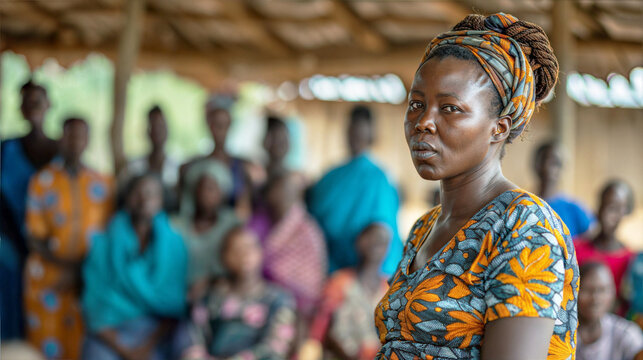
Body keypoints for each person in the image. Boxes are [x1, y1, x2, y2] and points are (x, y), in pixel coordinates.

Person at [374, 13, 578, 360]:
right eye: (417, 105)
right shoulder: (425, 227)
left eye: (450, 108)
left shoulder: (524, 227)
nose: (424, 122)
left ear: (499, 128)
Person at [24, 117, 114, 359]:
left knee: (82, 346)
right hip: (48, 278)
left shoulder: (103, 183)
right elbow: (34, 236)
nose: (75, 141)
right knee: (45, 346)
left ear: (88, 140)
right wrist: (67, 267)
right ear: (61, 139)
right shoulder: (42, 181)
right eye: (70, 135)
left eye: (81, 135)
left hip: (87, 279)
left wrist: (80, 271)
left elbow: (108, 236)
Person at [81, 174, 187, 360]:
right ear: (127, 198)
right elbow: (95, 302)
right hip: (111, 330)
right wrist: (125, 351)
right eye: (137, 193)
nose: (144, 198)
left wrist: (145, 347)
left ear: (161, 201)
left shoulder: (175, 245)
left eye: (152, 194)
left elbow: (174, 305)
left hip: (155, 333)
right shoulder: (104, 243)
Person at [307, 105, 402, 276]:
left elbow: (384, 232)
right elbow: (314, 216)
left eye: (361, 131)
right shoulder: (330, 176)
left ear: (371, 135)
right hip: (326, 267)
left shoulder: (378, 179)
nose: (356, 136)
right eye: (353, 130)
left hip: (366, 272)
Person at [180, 226, 296, 360]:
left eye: (250, 247)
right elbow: (192, 338)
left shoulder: (279, 300)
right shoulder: (211, 298)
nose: (244, 254)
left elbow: (275, 348)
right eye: (236, 250)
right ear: (223, 258)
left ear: (260, 251)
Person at [1, 79, 58, 340]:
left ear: (49, 106)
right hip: (11, 246)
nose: (33, 107)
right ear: (20, 110)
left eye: (39, 101)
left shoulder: (63, 149)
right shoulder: (6, 149)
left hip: (55, 249)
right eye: (28, 103)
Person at [307, 223, 391, 360]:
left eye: (382, 241)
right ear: (359, 242)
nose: (376, 243)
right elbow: (321, 327)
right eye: (371, 237)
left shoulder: (391, 289)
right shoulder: (339, 282)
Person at [259, 172, 326, 337]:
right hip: (263, 301)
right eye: (277, 188)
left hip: (300, 307)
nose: (279, 194)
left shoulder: (307, 229)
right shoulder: (261, 222)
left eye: (287, 189)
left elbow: (312, 277)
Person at [172, 159, 241, 301]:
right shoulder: (175, 225)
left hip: (220, 295)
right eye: (201, 188)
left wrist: (210, 282)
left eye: (211, 188)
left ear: (221, 193)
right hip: (179, 293)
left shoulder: (232, 224)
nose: (205, 194)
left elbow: (237, 264)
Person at [180, 105, 252, 219]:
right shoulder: (196, 166)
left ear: (230, 127)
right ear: (209, 126)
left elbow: (244, 209)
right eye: (216, 125)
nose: (220, 130)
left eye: (224, 125)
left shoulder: (243, 166)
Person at [574, 180, 635, 297]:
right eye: (606, 205)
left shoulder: (630, 261)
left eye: (616, 208)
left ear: (626, 212)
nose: (608, 214)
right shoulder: (575, 249)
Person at [576, 261, 643, 360]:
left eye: (602, 290)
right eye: (587, 290)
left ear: (613, 293)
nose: (595, 299)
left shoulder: (626, 334)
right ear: (573, 293)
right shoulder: (560, 335)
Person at [118, 105, 179, 211]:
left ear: (167, 130)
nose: (157, 132)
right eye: (153, 127)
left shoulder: (176, 166)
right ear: (147, 131)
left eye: (160, 127)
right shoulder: (133, 167)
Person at [534, 141, 595, 237]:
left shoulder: (575, 210)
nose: (554, 168)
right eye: (550, 160)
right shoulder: (526, 204)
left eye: (558, 163)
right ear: (537, 164)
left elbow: (592, 243)